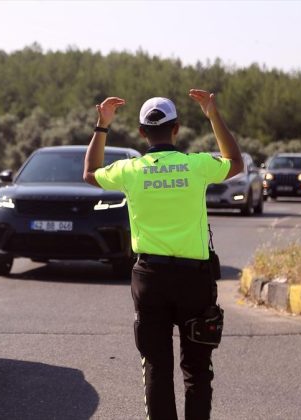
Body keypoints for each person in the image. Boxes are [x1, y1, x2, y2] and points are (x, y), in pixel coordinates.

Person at [83, 90, 243, 420]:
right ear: (177, 129)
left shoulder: (131, 170)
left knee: (157, 368)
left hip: (150, 278)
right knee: (197, 369)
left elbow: (90, 172)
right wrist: (213, 115)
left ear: (142, 133)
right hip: (193, 280)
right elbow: (236, 162)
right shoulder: (196, 165)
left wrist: (102, 126)